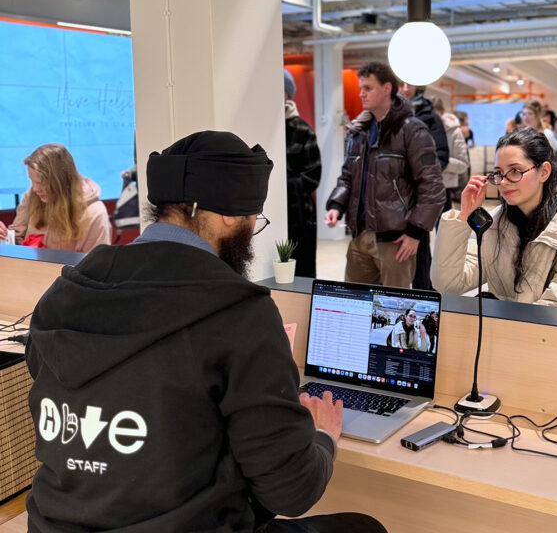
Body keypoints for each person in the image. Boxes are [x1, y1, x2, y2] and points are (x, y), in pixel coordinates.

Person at [25, 130, 385, 533]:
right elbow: (291, 492)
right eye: (254, 220)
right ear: (231, 214)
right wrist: (322, 438)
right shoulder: (238, 312)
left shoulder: (63, 293)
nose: (251, 231)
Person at [431, 131, 557, 309]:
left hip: (544, 335)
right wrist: (463, 216)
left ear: (544, 172)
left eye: (515, 171)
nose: (504, 182)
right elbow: (448, 284)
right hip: (503, 331)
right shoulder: (495, 224)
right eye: (499, 173)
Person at [324, 62, 445, 288]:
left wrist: (415, 232)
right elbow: (347, 176)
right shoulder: (358, 132)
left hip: (396, 241)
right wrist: (336, 205)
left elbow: (432, 187)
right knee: (353, 303)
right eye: (361, 88)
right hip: (360, 236)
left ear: (387, 89)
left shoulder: (412, 130)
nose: (361, 94)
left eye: (368, 88)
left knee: (392, 310)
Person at [0, 143, 110, 252]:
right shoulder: (32, 196)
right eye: (32, 182)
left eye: (42, 183)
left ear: (61, 181)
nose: (35, 189)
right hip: (30, 268)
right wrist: (3, 236)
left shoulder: (95, 214)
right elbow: (16, 241)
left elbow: (97, 266)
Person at [398, 82, 449, 291]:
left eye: (408, 84)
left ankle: (425, 307)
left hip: (419, 200)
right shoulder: (388, 120)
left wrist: (415, 177)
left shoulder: (430, 118)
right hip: (392, 207)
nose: (403, 88)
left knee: (420, 261)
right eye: (400, 84)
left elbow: (441, 157)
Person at [284, 69, 322, 278]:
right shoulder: (264, 129)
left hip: (300, 216)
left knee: (302, 274)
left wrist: (283, 187)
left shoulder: (303, 130)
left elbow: (313, 175)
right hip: (268, 214)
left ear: (287, 94)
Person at [432, 96, 469, 208]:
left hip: (445, 188)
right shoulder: (421, 128)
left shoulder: (453, 131)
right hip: (422, 187)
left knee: (444, 224)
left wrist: (441, 161)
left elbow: (463, 164)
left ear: (442, 112)